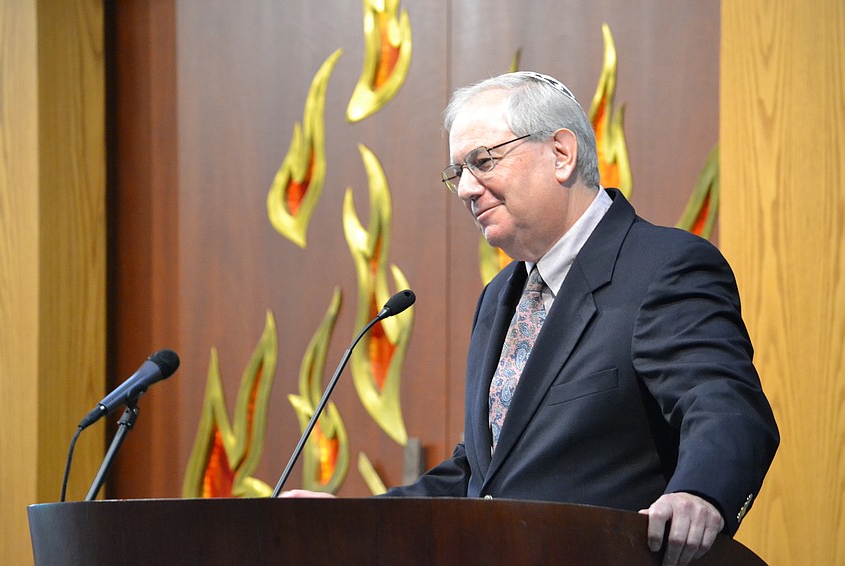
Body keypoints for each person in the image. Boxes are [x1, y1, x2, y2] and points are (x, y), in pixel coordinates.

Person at [281, 71, 779, 566]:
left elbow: (723, 405)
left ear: (562, 154)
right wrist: (355, 520)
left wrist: (700, 494)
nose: (465, 190)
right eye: (458, 173)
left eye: (483, 161)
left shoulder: (662, 266)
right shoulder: (499, 295)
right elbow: (482, 475)